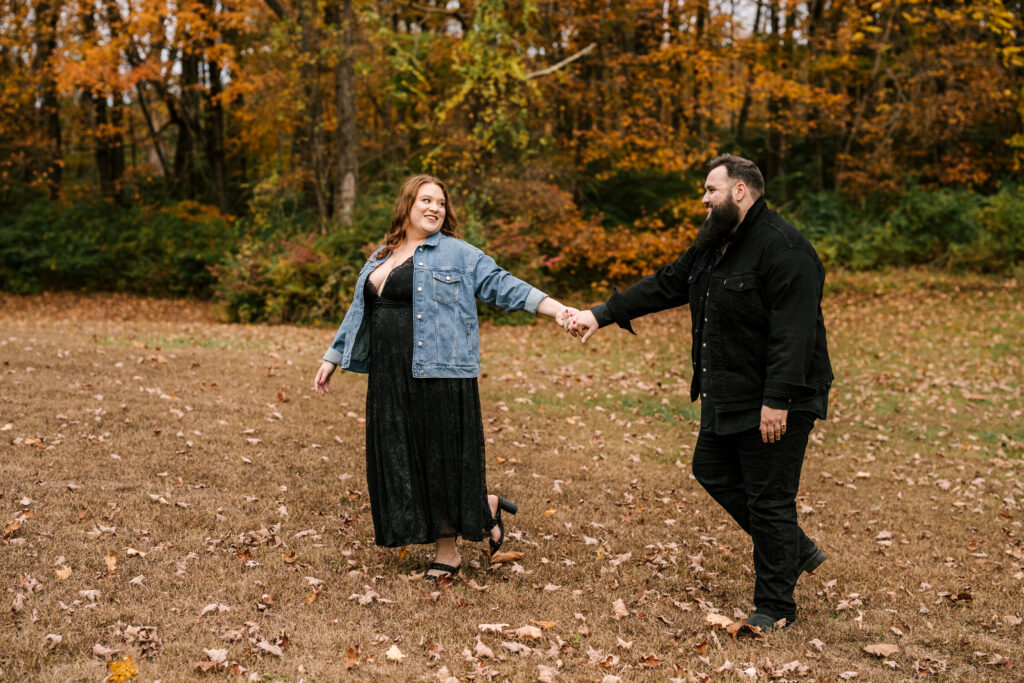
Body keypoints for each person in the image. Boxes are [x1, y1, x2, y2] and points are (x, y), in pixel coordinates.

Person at [566, 154, 833, 634]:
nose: (704, 200)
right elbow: (668, 283)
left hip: (778, 397)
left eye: (711, 190)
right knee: (710, 468)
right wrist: (600, 313)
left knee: (770, 500)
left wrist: (778, 400)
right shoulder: (715, 245)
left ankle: (775, 607)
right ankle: (792, 549)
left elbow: (795, 335)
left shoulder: (786, 250)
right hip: (726, 389)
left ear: (739, 192)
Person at [314, 174, 574, 581]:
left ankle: (448, 553)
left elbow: (502, 285)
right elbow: (358, 310)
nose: (435, 207)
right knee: (402, 454)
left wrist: (557, 310)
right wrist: (333, 356)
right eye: (426, 200)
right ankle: (480, 504)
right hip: (388, 375)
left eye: (441, 202)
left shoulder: (458, 253)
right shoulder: (382, 254)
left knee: (438, 458)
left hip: (438, 371)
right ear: (408, 205)